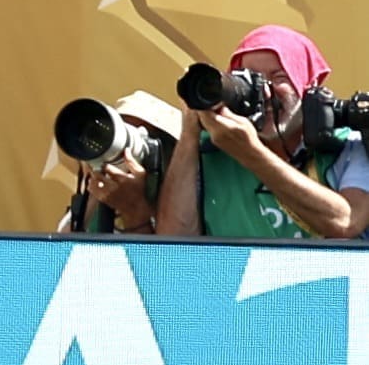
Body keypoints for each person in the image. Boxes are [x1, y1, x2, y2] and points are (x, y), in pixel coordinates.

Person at [157, 25, 369, 239]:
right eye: (250, 79)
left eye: (279, 78)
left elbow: (346, 222)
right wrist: (190, 132)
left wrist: (250, 153)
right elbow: (172, 243)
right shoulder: (210, 150)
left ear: (309, 87)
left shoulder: (348, 145)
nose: (265, 92)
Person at [57, 91, 181, 235]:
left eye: (146, 138)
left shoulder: (183, 208)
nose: (124, 147)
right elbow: (64, 246)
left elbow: (165, 249)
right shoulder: (90, 206)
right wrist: (94, 187)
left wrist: (134, 211)